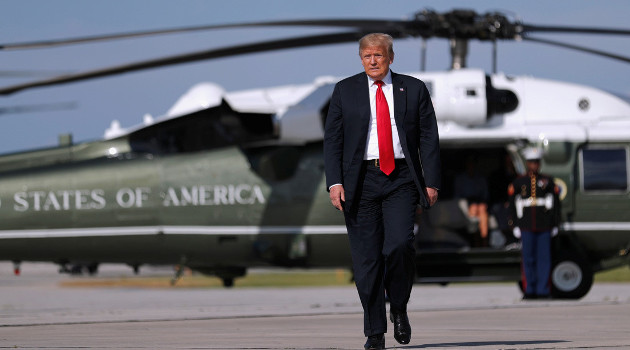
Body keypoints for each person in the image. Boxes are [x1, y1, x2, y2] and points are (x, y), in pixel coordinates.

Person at [324, 33, 440, 350]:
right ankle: (375, 332)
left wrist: (431, 181)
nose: (373, 61)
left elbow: (429, 137)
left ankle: (399, 306)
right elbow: (332, 141)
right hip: (359, 181)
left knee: (400, 245)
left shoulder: (413, 88)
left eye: (378, 55)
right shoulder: (344, 90)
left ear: (390, 57)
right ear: (360, 60)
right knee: (367, 261)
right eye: (367, 56)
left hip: (401, 177)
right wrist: (334, 182)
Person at [507, 148, 561, 299]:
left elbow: (555, 205)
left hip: (544, 225)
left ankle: (543, 290)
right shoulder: (519, 182)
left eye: (536, 162)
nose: (534, 165)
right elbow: (512, 205)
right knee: (528, 259)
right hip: (526, 224)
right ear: (527, 163)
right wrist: (515, 224)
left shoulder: (548, 181)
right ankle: (529, 289)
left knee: (544, 259)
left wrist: (555, 224)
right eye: (531, 162)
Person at [454, 155, 489, 246]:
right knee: (474, 208)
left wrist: (482, 202)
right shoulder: (460, 179)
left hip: (479, 202)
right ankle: (476, 240)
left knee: (482, 209)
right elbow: (457, 196)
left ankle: (484, 239)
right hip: (467, 203)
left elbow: (485, 194)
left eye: (473, 164)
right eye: (469, 164)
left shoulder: (480, 178)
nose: (471, 166)